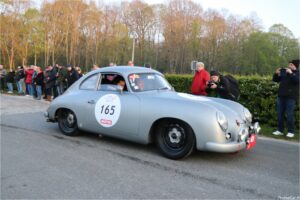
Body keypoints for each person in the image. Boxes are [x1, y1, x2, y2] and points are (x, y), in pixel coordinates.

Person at [272, 59, 299, 138]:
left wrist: (291, 74)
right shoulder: (285, 73)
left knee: (289, 114)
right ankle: (280, 130)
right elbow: (275, 80)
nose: (289, 66)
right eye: (289, 64)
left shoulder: (297, 73)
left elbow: (297, 81)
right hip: (281, 96)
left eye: (291, 65)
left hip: (291, 98)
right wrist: (276, 74)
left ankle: (291, 131)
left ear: (295, 66)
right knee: (280, 114)